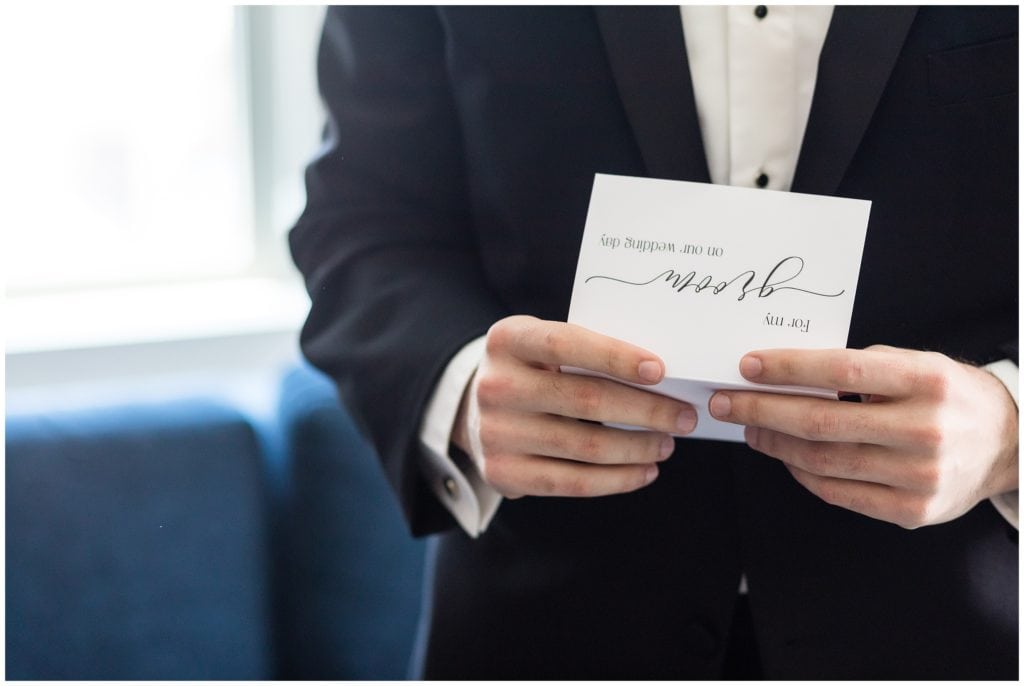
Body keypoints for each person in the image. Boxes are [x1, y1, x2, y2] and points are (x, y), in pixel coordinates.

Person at [289, 6, 1018, 679]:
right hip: (549, 630)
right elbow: (362, 218)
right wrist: (460, 390)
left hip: (963, 628)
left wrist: (1010, 429)